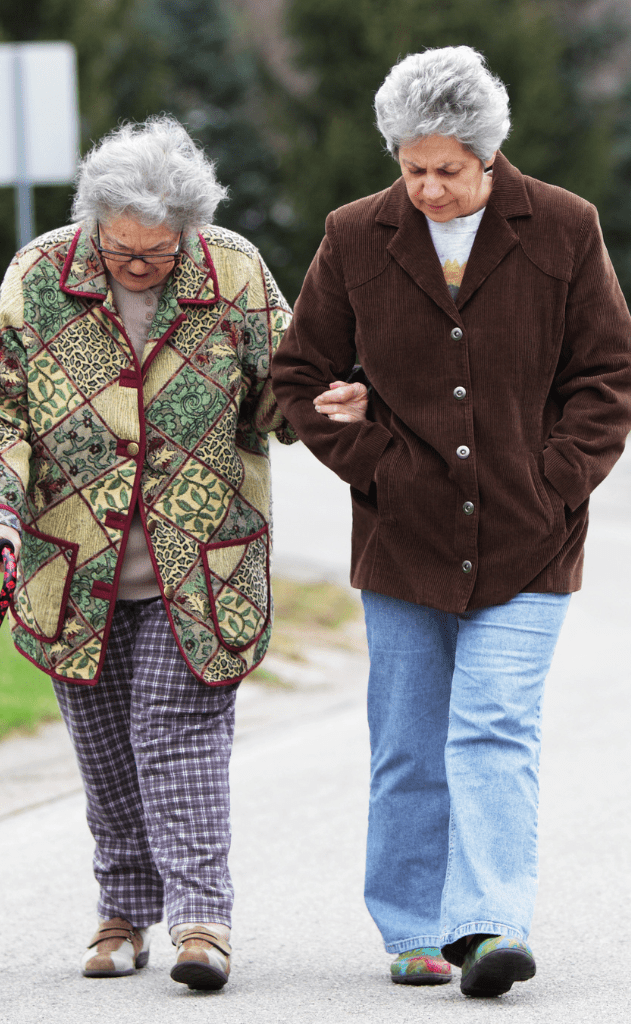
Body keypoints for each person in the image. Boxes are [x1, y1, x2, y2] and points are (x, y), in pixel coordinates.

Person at [0, 115, 365, 992]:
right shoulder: (39, 277)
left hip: (202, 565)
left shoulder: (234, 272)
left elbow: (279, 386)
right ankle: (121, 910)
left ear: (189, 231)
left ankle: (201, 920)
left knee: (173, 735)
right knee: (104, 747)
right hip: (71, 568)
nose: (138, 266)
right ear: (92, 222)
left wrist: (320, 405)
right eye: (122, 251)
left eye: (157, 253)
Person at [272, 46, 631, 997]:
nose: (427, 187)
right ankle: (413, 927)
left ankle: (491, 927)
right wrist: (372, 461)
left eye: (448, 170)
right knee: (408, 744)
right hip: (404, 542)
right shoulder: (355, 236)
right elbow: (300, 375)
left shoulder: (561, 227)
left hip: (531, 538)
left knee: (495, 730)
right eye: (411, 167)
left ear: (488, 158)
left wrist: (558, 483)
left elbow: (607, 376)